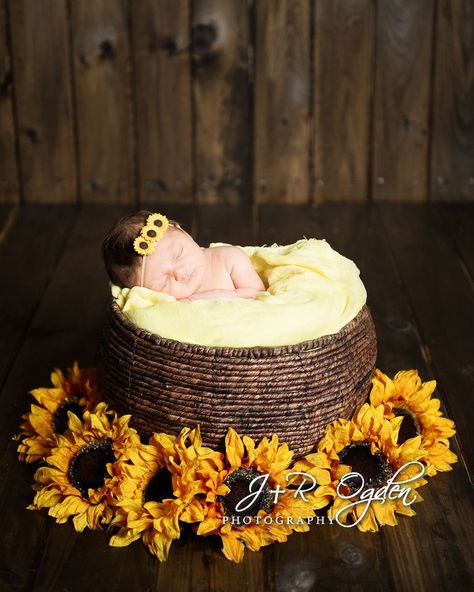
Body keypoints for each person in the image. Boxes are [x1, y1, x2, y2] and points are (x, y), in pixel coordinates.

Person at [102, 210, 266, 301]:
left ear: (184, 233)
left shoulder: (229, 259)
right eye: (163, 283)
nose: (179, 273)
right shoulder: (174, 304)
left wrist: (219, 297)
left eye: (178, 255)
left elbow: (259, 295)